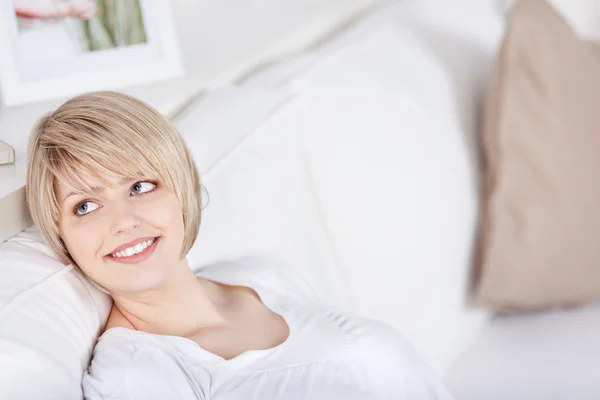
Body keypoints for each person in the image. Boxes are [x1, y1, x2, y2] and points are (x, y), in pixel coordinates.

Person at [26, 91, 454, 399]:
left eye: (140, 186)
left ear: (182, 189)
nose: (124, 221)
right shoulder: (136, 374)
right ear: (61, 236)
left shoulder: (260, 274)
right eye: (85, 206)